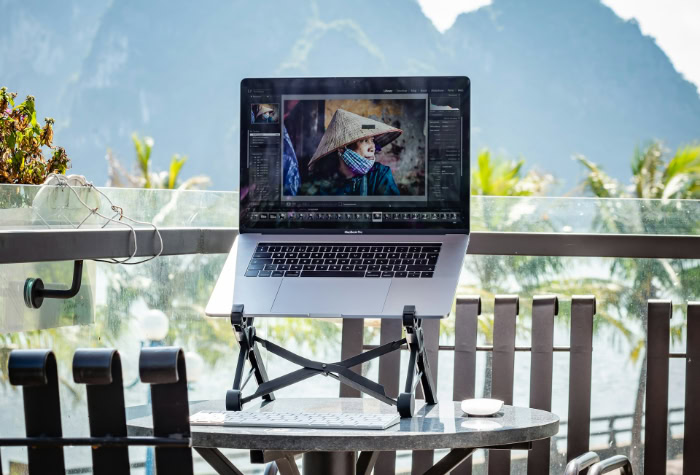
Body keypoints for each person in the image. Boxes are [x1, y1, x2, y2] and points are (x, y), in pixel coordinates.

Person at [306, 109, 401, 196]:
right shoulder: (322, 184)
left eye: (372, 140)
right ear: (342, 148)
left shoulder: (379, 175)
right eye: (364, 141)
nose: (372, 148)